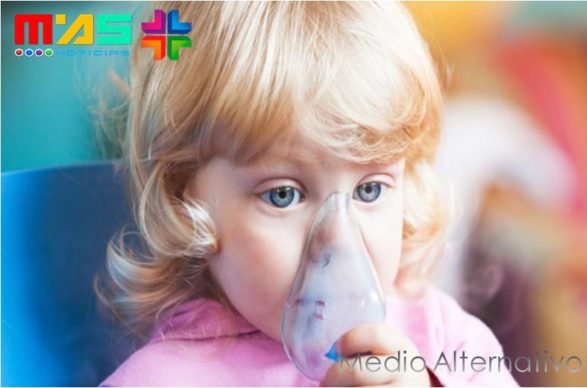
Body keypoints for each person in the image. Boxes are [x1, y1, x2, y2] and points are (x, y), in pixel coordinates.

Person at [99, 2, 517, 386]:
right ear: (184, 200)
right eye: (283, 195)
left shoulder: (444, 336)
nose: (336, 239)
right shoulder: (163, 379)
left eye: (370, 190)